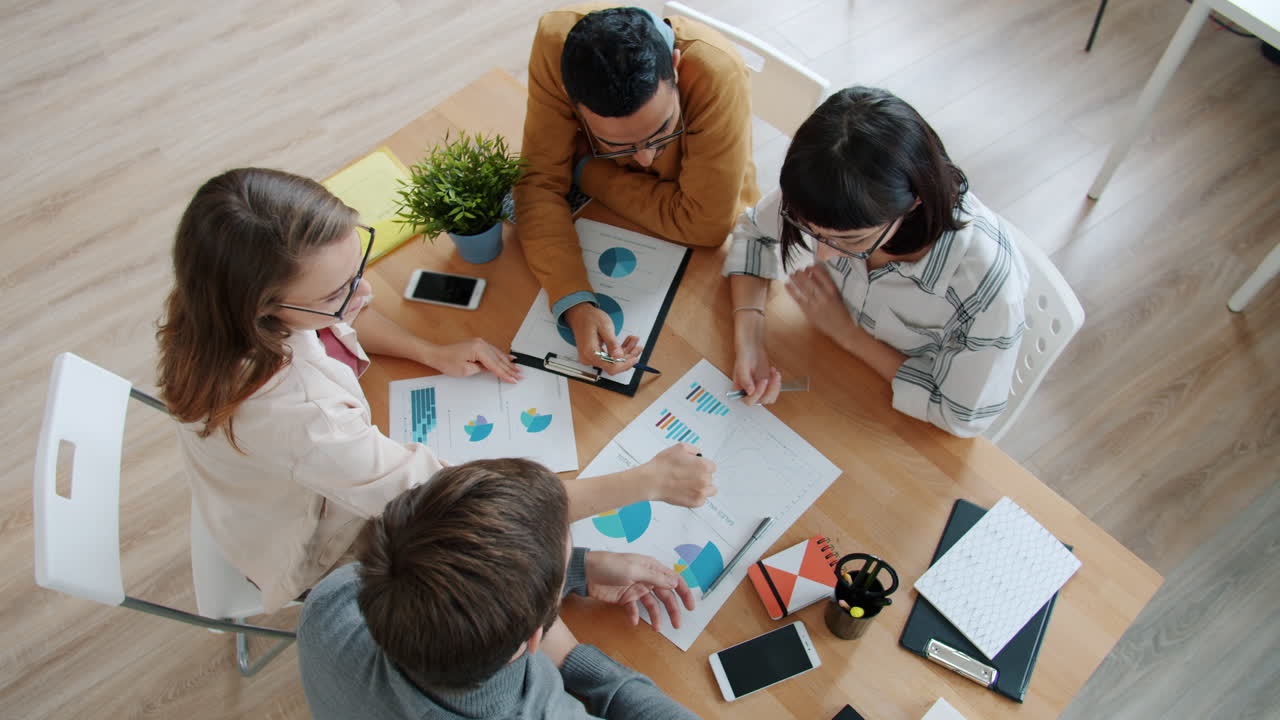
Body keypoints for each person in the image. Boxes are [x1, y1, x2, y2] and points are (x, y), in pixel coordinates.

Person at [157, 168, 716, 612]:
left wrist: (430, 352)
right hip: (309, 552)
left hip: (265, 494)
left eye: (359, 262)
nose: (365, 289)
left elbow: (336, 324)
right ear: (263, 308)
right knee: (477, 558)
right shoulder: (302, 417)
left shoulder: (216, 304)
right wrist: (648, 480)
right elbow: (469, 502)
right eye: (336, 292)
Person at [724, 86, 1029, 438]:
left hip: (894, 424)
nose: (822, 255)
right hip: (826, 370)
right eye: (812, 232)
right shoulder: (828, 186)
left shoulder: (986, 287)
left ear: (914, 202)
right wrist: (749, 340)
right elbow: (752, 232)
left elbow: (959, 416)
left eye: (852, 240)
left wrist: (848, 334)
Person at [298, 458, 700, 720]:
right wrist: (575, 658)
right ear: (533, 639)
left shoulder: (331, 601)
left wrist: (577, 569)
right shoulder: (543, 710)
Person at [515, 4, 759, 375]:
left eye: (662, 131)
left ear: (675, 68)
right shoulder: (554, 45)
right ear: (572, 100)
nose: (645, 159)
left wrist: (585, 169)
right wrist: (575, 302)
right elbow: (537, 183)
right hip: (632, 216)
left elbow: (705, 227)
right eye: (618, 143)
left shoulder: (716, 72)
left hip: (708, 233)